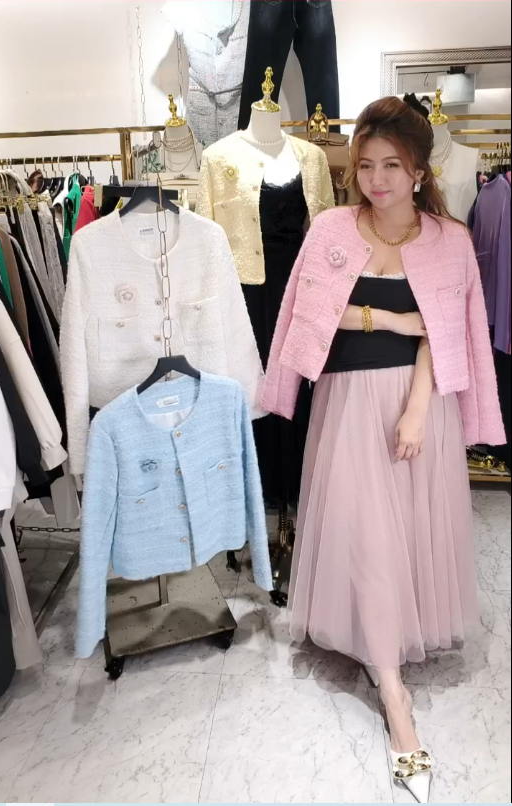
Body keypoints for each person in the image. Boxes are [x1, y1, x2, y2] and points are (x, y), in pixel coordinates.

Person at [261, 96, 505, 803]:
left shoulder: (450, 239)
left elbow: (447, 328)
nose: (376, 179)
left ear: (419, 169)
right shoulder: (332, 229)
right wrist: (391, 318)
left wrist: (419, 409)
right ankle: (394, 695)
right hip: (346, 402)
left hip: (418, 407)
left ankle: (392, 644)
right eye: (365, 165)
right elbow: (311, 312)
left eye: (391, 166)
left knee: (410, 533)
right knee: (367, 533)